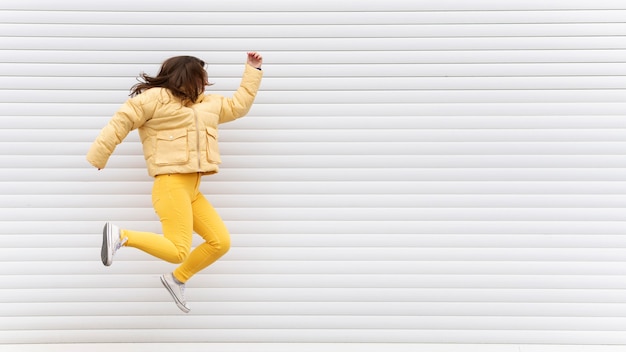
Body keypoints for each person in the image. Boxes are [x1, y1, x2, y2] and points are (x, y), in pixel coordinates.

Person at [86, 52, 263, 313]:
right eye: (202, 79)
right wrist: (99, 155)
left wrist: (252, 69)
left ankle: (177, 278)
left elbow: (239, 106)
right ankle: (121, 235)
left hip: (192, 189)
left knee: (220, 242)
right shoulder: (154, 100)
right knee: (179, 249)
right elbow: (120, 123)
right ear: (186, 77)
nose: (206, 84)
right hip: (170, 184)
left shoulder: (208, 104)